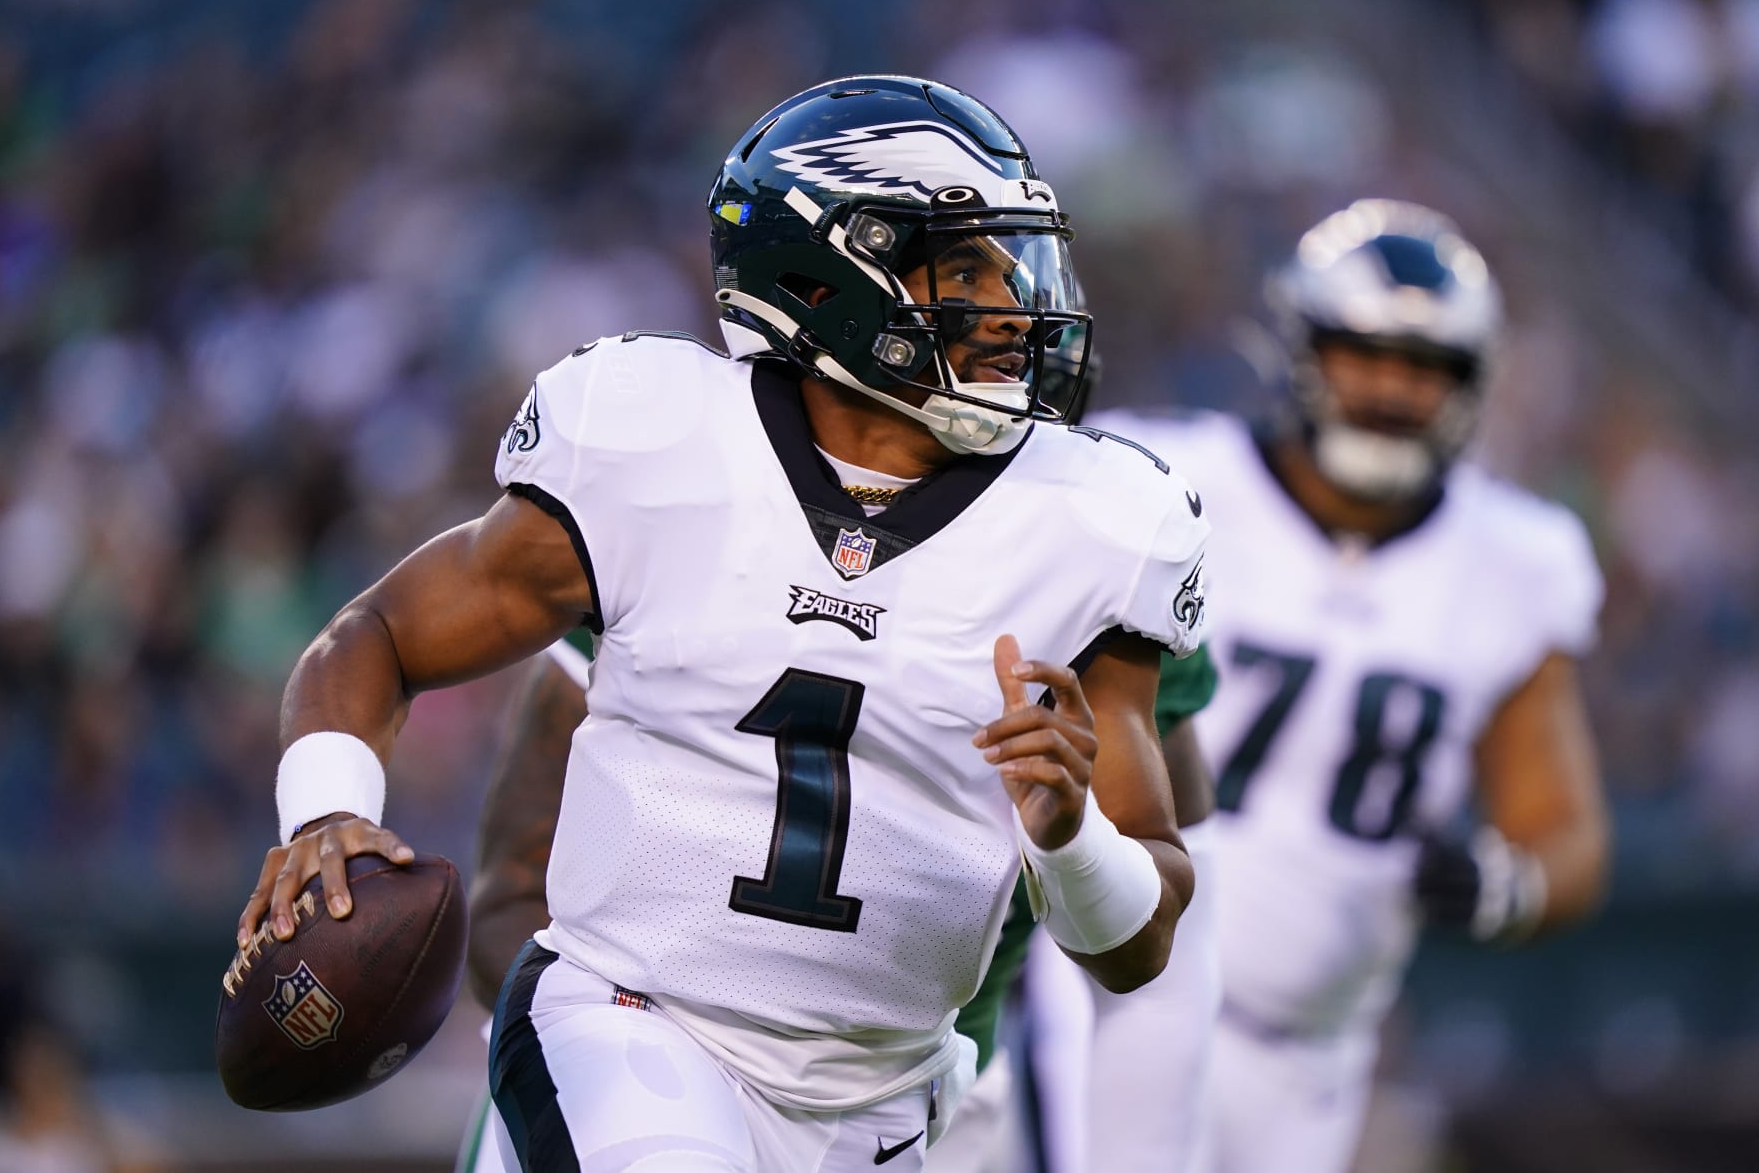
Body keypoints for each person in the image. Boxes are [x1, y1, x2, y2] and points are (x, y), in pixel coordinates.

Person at [234, 74, 1211, 1173]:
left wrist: (1073, 837)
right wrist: (325, 813)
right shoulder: (658, 443)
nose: (1011, 307)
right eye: (963, 267)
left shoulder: (1094, 525)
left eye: (1012, 263)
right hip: (632, 1022)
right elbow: (380, 636)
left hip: (881, 1103)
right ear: (829, 272)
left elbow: (1141, 943)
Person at [1091, 198, 1610, 1173]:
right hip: (1103, 999)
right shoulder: (1168, 481)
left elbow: (1563, 831)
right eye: (1362, 353)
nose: (1390, 389)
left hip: (1313, 1056)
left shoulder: (1514, 560)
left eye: (1425, 367)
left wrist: (1508, 887)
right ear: (1298, 347)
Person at [451, 636, 1219, 1173]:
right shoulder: (688, 490)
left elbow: (1161, 921)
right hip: (644, 1055)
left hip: (912, 1106)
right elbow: (513, 895)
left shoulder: (1099, 570)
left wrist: (1073, 839)